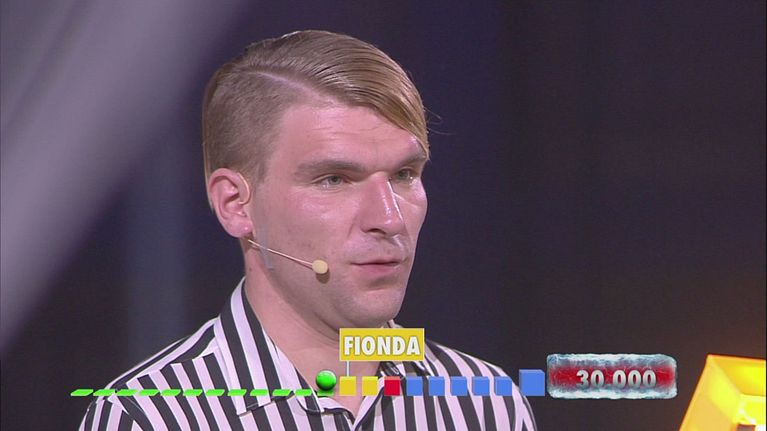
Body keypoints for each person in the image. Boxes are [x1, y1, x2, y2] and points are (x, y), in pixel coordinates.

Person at [80, 30, 537, 430]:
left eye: (404, 175)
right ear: (235, 204)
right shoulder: (151, 417)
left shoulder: (484, 403)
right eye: (334, 179)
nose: (389, 219)